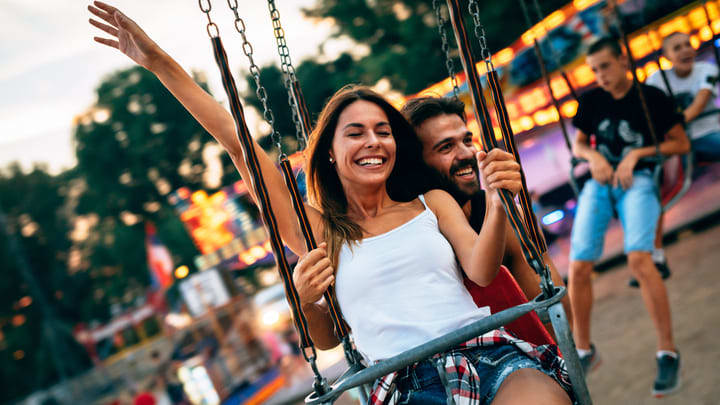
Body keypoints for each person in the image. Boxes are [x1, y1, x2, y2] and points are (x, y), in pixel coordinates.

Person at [88, 3, 573, 403]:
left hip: (487, 353)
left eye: (383, 131)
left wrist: (496, 197)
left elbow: (484, 271)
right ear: (331, 153)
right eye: (356, 133)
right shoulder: (320, 232)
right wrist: (157, 62)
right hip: (404, 384)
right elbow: (237, 143)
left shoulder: (432, 203)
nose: (373, 142)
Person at [569, 36, 688, 397]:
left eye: (605, 66)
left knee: (639, 259)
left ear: (622, 61)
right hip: (601, 182)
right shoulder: (591, 100)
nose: (600, 76)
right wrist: (595, 158)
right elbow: (578, 144)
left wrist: (637, 155)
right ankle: (585, 349)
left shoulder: (651, 99)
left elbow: (680, 143)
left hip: (638, 180)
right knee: (577, 267)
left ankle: (668, 351)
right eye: (594, 70)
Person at [399, 96, 573, 332]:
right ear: (416, 163)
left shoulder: (494, 209)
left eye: (467, 140)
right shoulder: (413, 230)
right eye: (446, 147)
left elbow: (552, 303)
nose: (466, 154)